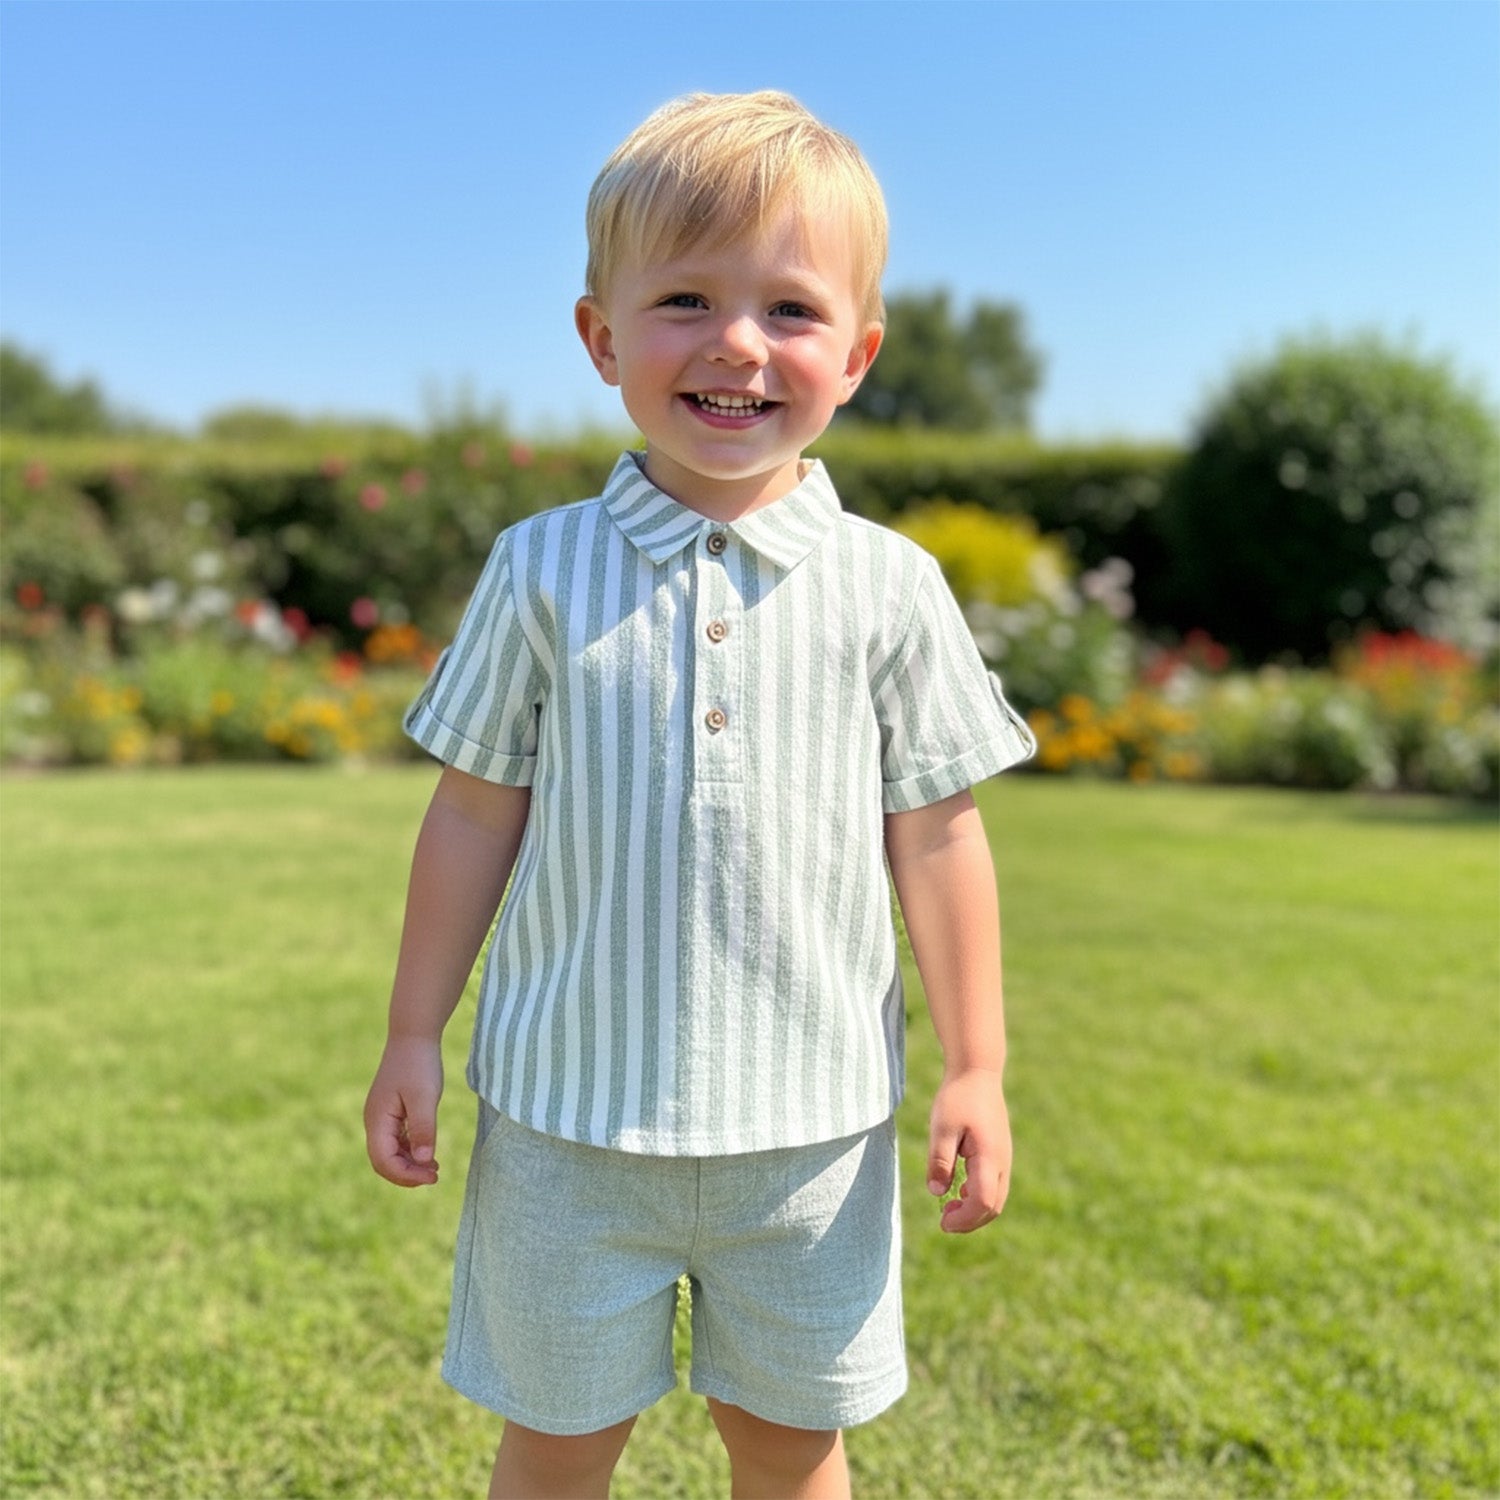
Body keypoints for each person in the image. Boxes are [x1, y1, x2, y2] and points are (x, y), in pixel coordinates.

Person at [364, 89, 1036, 1500]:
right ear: (601, 336)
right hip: (567, 1123)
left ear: (855, 355)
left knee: (793, 1451)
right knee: (555, 1442)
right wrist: (413, 1031)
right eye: (684, 297)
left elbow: (939, 831)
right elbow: (476, 812)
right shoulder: (539, 570)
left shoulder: (890, 587)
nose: (737, 342)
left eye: (790, 310)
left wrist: (977, 1061)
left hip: (814, 1137)